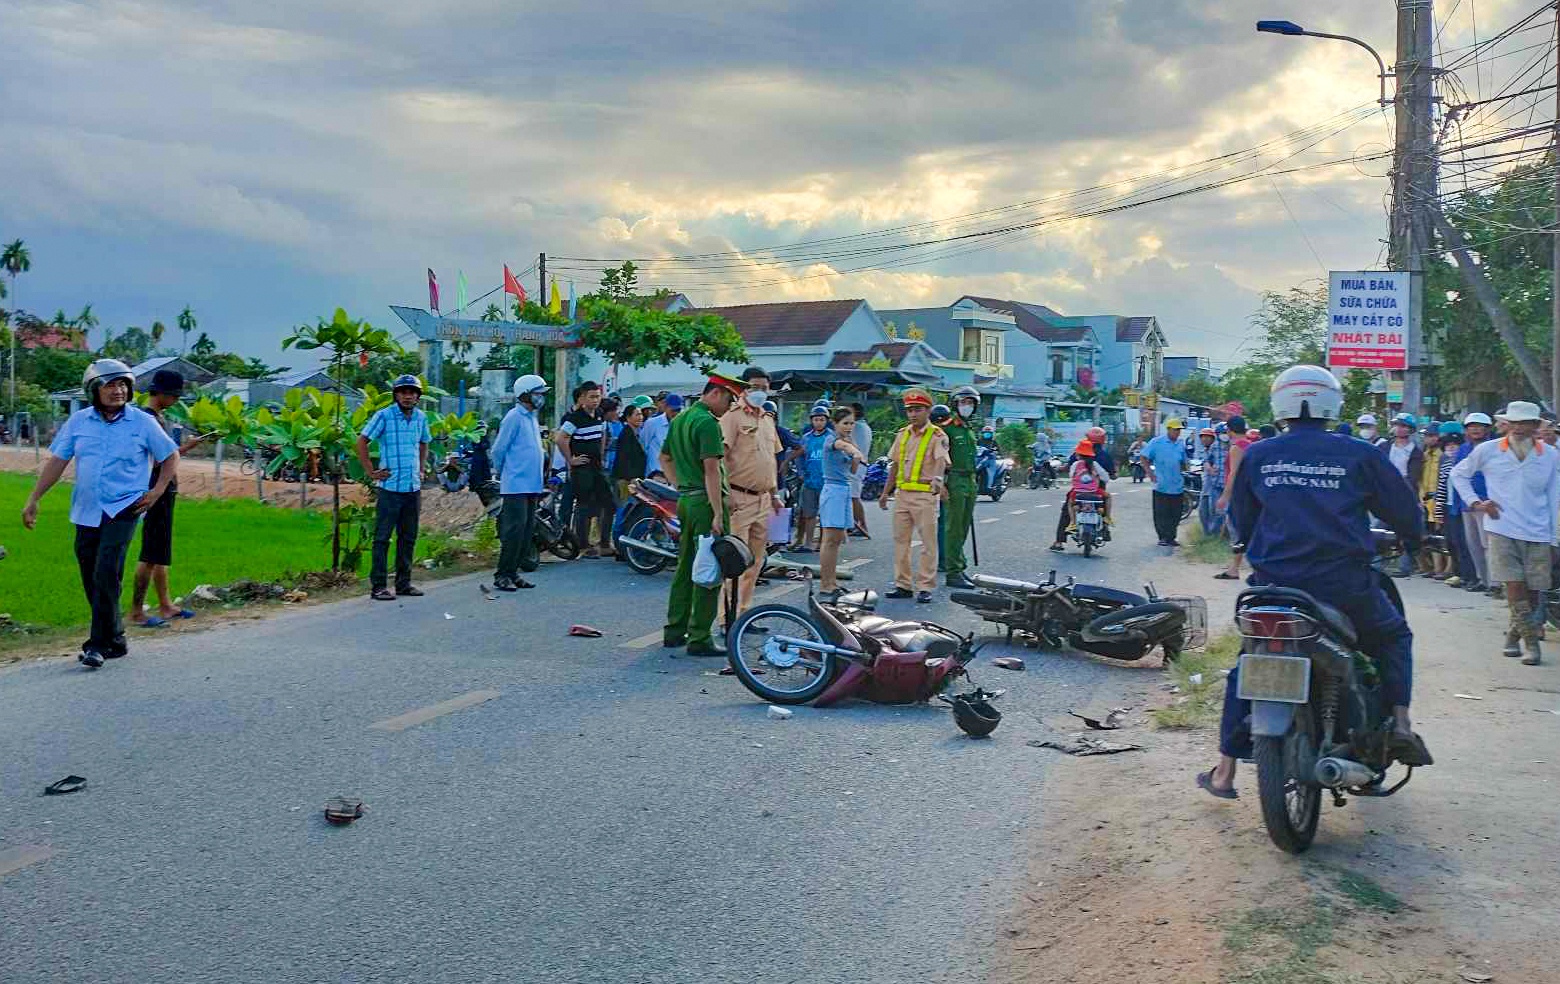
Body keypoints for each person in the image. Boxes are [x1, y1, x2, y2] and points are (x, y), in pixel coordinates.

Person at [1198, 365, 1431, 800]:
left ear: (1280, 403)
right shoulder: (1360, 454)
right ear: (1332, 403)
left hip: (1273, 591)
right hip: (1345, 588)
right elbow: (1404, 512)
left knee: (1247, 660)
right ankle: (1400, 724)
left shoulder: (1259, 454)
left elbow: (1242, 522)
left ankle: (1225, 772)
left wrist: (1255, 543)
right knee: (1393, 636)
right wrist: (1413, 537)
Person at [21, 359, 180, 667]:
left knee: (107, 570)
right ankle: (116, 637)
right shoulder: (79, 422)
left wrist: (157, 491)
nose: (118, 390)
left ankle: (96, 644)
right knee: (90, 573)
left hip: (125, 506)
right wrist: (34, 498)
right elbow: (57, 461)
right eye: (110, 385)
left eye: (122, 385)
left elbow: (170, 455)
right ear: (93, 390)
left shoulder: (142, 422)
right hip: (87, 508)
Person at [1451, 400, 1560, 665]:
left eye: (1527, 423)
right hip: (1501, 528)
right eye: (1516, 423)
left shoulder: (1550, 455)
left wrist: (1555, 537)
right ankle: (1532, 645)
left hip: (1538, 531)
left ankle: (1513, 636)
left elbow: (1555, 497)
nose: (1520, 428)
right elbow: (1458, 474)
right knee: (1514, 585)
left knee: (1534, 591)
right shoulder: (1488, 451)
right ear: (1507, 425)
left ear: (1536, 426)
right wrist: (1477, 502)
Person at [660, 373, 743, 656]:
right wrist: (718, 513)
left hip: (687, 500)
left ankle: (674, 630)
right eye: (730, 400)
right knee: (710, 567)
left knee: (685, 566)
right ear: (717, 393)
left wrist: (679, 485)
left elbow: (665, 458)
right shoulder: (707, 423)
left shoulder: (681, 419)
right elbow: (711, 470)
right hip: (705, 504)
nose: (729, 407)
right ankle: (699, 638)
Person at [129, 369, 211, 627]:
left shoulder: (155, 417)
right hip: (156, 491)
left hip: (163, 492)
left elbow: (167, 455)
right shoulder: (147, 419)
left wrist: (186, 447)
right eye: (174, 396)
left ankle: (165, 605)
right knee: (150, 553)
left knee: (159, 552)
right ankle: (135, 611)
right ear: (162, 394)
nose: (176, 401)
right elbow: (155, 459)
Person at [357, 374, 431, 601]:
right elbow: (362, 441)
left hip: (412, 487)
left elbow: (424, 442)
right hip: (390, 487)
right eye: (403, 392)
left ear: (417, 396)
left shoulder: (420, 417)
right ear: (396, 395)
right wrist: (371, 471)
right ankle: (378, 586)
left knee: (408, 537)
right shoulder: (384, 416)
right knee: (382, 538)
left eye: (412, 393)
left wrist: (421, 468)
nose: (408, 396)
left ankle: (403, 583)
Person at [720, 367, 783, 614]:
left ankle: (744, 613)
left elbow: (771, 460)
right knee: (734, 561)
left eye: (764, 388)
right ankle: (727, 618)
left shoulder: (767, 419)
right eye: (754, 387)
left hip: (763, 500)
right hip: (739, 498)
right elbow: (721, 458)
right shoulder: (732, 417)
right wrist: (725, 495)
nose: (760, 392)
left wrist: (775, 495)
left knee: (756, 562)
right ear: (743, 388)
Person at [880, 388, 949, 603]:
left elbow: (940, 461)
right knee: (901, 541)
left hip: (925, 495)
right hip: (902, 495)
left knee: (928, 543)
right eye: (909, 410)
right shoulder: (902, 434)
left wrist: (938, 481)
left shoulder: (937, 435)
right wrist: (885, 493)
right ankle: (903, 585)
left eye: (917, 409)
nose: (912, 414)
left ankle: (925, 586)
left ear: (928, 410)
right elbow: (895, 465)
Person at [490, 374, 549, 591]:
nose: (542, 398)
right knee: (514, 531)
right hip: (515, 484)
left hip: (532, 484)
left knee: (526, 531)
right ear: (525, 395)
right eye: (538, 394)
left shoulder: (531, 417)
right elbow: (498, 450)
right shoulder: (514, 417)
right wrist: (504, 473)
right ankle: (502, 574)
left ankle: (513, 573)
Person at [558, 381, 614, 559]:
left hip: (597, 467)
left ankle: (604, 543)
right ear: (582, 398)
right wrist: (571, 460)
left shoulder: (599, 414)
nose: (596, 400)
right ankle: (583, 544)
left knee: (609, 503)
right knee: (584, 506)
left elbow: (603, 433)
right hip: (582, 469)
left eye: (598, 396)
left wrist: (602, 453)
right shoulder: (574, 418)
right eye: (592, 397)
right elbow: (561, 439)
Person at [818, 406, 868, 599]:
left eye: (851, 423)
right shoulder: (832, 439)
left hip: (844, 488)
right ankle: (825, 584)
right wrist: (854, 451)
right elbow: (843, 447)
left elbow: (854, 469)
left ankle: (832, 581)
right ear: (835, 423)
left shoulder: (849, 440)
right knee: (829, 539)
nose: (849, 427)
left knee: (838, 539)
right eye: (845, 423)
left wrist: (856, 454)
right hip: (833, 490)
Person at [941, 385, 982, 589]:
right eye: (963, 402)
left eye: (970, 403)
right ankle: (952, 571)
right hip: (954, 480)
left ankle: (959, 566)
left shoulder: (968, 429)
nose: (967, 406)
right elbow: (939, 459)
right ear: (955, 405)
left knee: (964, 526)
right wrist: (942, 484)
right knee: (954, 528)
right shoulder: (947, 428)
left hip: (969, 480)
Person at [1050, 426, 1115, 549]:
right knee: (1103, 506)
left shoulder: (1076, 456)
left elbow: (1070, 472)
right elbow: (1110, 475)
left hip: (1078, 491)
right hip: (1097, 491)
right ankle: (1105, 527)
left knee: (1066, 512)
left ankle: (1059, 541)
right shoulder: (1105, 456)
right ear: (1102, 440)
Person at [1451, 411, 1494, 592]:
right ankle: (1481, 579)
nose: (1475, 429)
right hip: (1466, 504)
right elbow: (1457, 477)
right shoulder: (1463, 449)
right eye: (1471, 427)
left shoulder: (1493, 448)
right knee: (1473, 545)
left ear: (1487, 429)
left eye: (1479, 426)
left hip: (1486, 502)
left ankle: (1495, 583)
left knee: (1488, 544)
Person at [1378, 413, 1425, 577]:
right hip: (1384, 494)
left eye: (1404, 426)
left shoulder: (1415, 451)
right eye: (1398, 425)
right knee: (1378, 530)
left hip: (1405, 494)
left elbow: (1413, 477)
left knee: (1405, 530)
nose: (1400, 429)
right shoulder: (1384, 447)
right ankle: (1377, 564)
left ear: (1410, 430)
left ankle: (1405, 566)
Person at [1424, 421, 1463, 582]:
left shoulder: (1464, 460)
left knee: (1461, 542)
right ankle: (1455, 573)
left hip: (1462, 506)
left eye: (1455, 444)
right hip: (1445, 505)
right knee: (1450, 540)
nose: (1451, 448)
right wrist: (1438, 510)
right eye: (1448, 444)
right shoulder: (1443, 460)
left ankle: (1459, 572)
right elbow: (1442, 486)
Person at [1215, 415, 1252, 580]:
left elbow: (1233, 473)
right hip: (1248, 493)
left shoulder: (1237, 447)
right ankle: (1234, 567)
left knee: (1236, 531)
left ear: (1229, 430)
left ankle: (1235, 569)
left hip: (1238, 494)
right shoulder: (1251, 445)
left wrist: (1224, 496)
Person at [1140, 419, 1188, 546]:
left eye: (1179, 430)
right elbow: (1143, 457)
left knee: (1176, 513)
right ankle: (1162, 537)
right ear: (1168, 429)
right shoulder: (1157, 442)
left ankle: (1171, 537)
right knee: (1161, 513)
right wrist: (1149, 473)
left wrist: (1186, 470)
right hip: (1161, 484)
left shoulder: (1180, 444)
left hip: (1177, 485)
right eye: (1175, 430)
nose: (1177, 432)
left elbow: (1183, 462)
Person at [790, 405, 831, 553]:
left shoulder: (831, 437)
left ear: (827, 421)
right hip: (809, 481)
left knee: (825, 515)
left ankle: (822, 543)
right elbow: (799, 456)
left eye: (822, 420)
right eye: (816, 419)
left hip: (826, 481)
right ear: (812, 421)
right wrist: (801, 472)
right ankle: (808, 543)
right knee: (808, 514)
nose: (819, 422)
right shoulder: (806, 438)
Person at [1060, 440, 1111, 535]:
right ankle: (1107, 518)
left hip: (1077, 492)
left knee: (1070, 504)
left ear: (1078, 454)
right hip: (1094, 492)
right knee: (1108, 497)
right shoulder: (1094, 464)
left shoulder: (1075, 464)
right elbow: (1105, 478)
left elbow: (1071, 476)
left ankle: (1073, 523)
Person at [611, 397, 650, 500]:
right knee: (625, 506)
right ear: (628, 418)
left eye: (641, 414)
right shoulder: (626, 435)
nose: (640, 417)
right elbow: (624, 458)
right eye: (637, 415)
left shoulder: (637, 433)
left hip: (635, 478)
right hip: (626, 480)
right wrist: (631, 478)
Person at [640, 393, 681, 477]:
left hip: (675, 474)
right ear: (666, 407)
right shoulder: (652, 423)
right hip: (655, 473)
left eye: (678, 410)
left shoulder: (682, 425)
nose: (675, 413)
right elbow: (643, 445)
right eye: (673, 410)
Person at [1196, 426, 1227, 537]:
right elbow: (1206, 461)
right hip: (1212, 484)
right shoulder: (1213, 448)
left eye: (1208, 437)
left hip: (1225, 485)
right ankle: (1208, 534)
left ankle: (1216, 534)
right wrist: (1209, 468)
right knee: (1205, 510)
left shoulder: (1233, 447)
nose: (1205, 439)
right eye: (1203, 437)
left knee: (1219, 511)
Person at [848, 402, 873, 538]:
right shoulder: (864, 426)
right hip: (859, 465)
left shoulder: (857, 427)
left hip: (856, 465)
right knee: (852, 496)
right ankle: (856, 524)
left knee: (854, 497)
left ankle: (862, 525)